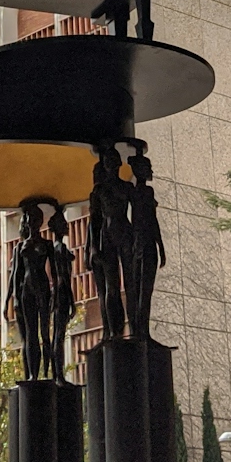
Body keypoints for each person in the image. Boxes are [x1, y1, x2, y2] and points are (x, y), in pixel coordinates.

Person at [4, 200, 53, 379]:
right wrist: (8, 299)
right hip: (26, 289)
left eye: (35, 219)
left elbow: (55, 272)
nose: (31, 222)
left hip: (42, 286)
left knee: (45, 333)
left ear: (40, 221)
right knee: (30, 334)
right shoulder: (19, 247)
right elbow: (15, 275)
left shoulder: (47, 245)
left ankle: (48, 372)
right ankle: (31, 375)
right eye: (29, 218)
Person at [87, 145, 131, 340]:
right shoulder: (99, 190)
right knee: (111, 287)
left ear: (119, 163)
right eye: (107, 162)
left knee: (131, 284)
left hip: (125, 233)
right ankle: (113, 329)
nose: (111, 165)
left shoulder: (127, 187)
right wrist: (93, 247)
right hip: (106, 237)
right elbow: (93, 221)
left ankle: (133, 328)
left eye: (114, 161)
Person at [128, 146, 166, 340]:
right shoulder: (137, 192)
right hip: (142, 243)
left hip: (144, 243)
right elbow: (150, 220)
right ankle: (140, 330)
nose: (150, 172)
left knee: (143, 288)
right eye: (147, 167)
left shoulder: (140, 192)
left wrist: (161, 246)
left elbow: (153, 221)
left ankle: (141, 330)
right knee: (141, 289)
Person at [48, 205, 75, 381]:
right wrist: (71, 301)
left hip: (59, 295)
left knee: (59, 335)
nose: (67, 225)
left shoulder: (60, 250)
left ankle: (58, 373)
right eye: (63, 223)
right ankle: (58, 375)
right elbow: (63, 278)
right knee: (59, 335)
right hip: (61, 295)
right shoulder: (59, 250)